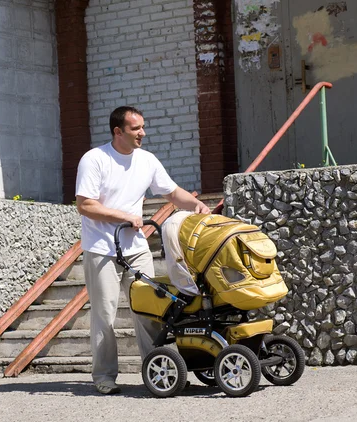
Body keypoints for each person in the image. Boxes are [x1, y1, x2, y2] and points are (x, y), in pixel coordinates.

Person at [75, 106, 210, 395]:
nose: (143, 133)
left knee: (150, 311)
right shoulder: (95, 159)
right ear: (118, 131)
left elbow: (171, 192)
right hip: (102, 249)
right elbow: (84, 205)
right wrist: (123, 216)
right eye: (136, 129)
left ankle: (159, 372)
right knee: (105, 314)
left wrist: (195, 205)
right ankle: (105, 377)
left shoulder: (147, 160)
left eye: (142, 127)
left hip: (136, 247)